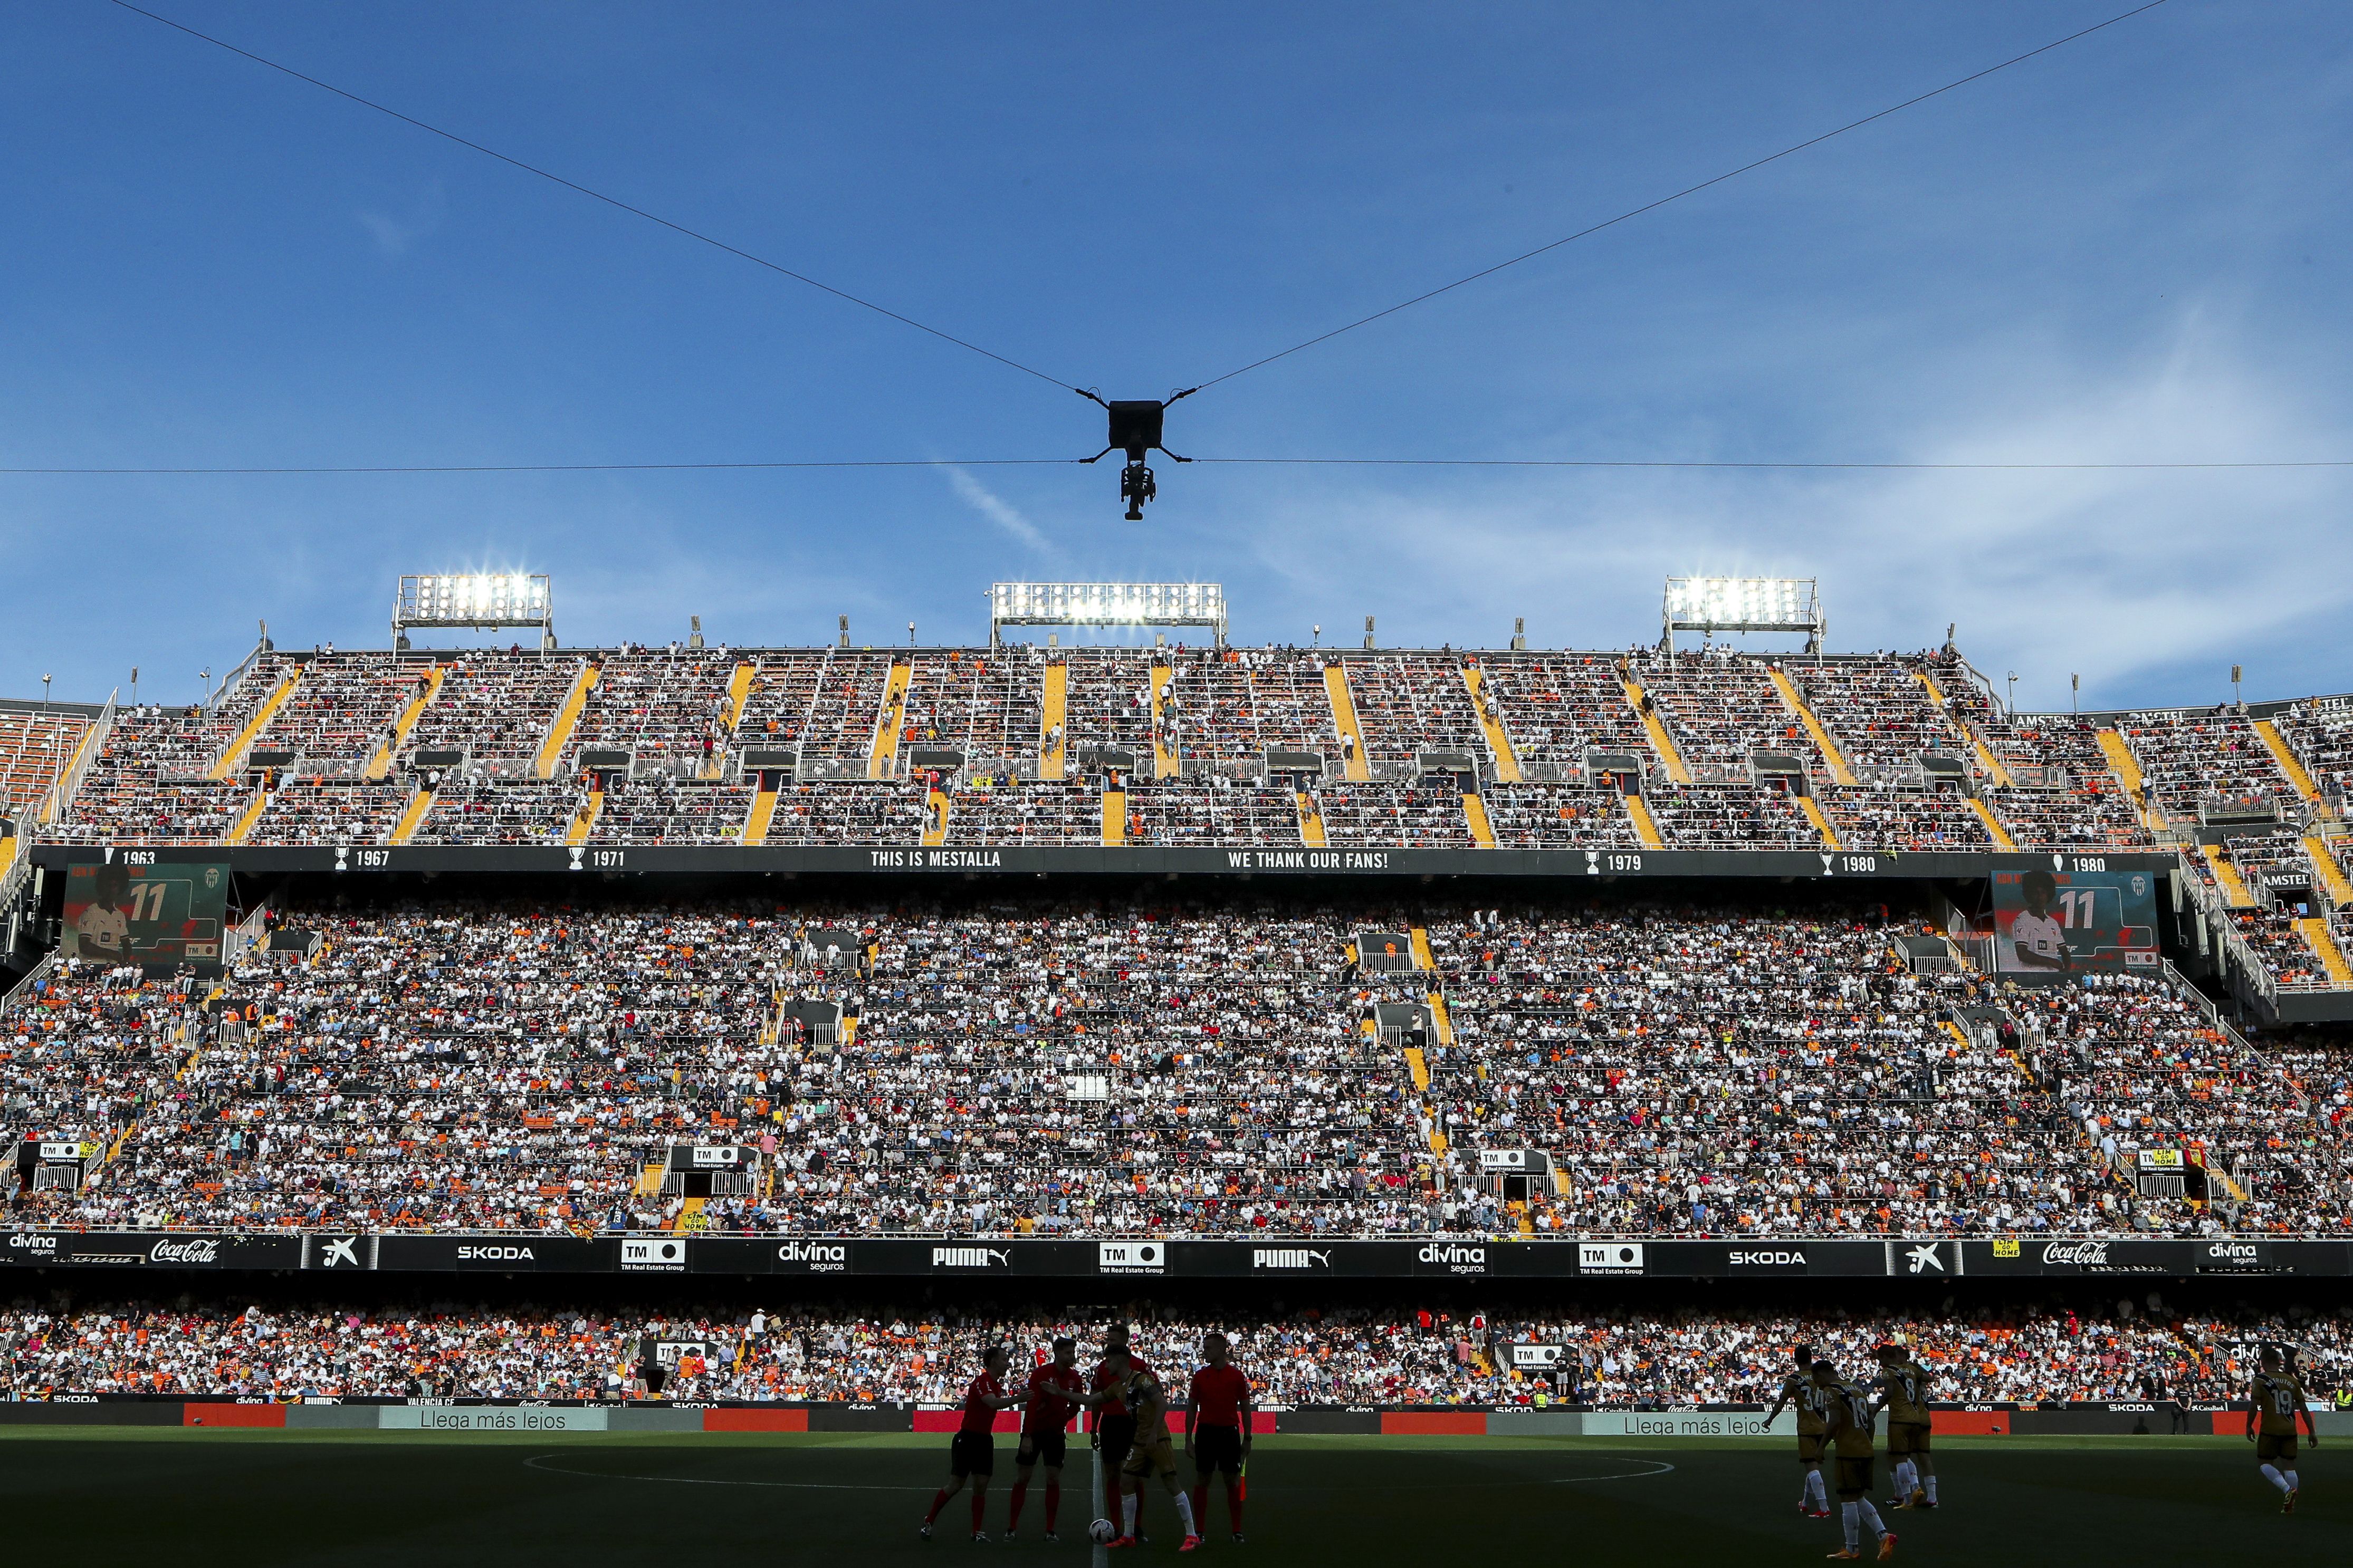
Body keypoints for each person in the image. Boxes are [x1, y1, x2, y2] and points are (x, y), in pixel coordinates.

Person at [1103, 1346, 1202, 1552]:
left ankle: (1192, 1535)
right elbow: (1092, 1399)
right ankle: (1129, 1536)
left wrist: (1155, 1433)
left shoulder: (1142, 1380)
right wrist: (1061, 1393)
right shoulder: (1118, 1387)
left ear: (1120, 1360)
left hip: (1156, 1439)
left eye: (1109, 1360)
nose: (1106, 1364)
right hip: (1140, 1441)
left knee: (1171, 1482)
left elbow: (1162, 1404)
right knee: (1126, 1482)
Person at [921, 1344, 1022, 1541]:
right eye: (1003, 1359)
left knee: (981, 1486)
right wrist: (1019, 1398)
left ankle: (976, 1532)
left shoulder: (997, 1384)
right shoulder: (982, 1382)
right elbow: (992, 1402)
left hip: (984, 1439)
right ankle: (929, 1520)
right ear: (993, 1362)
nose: (1007, 1363)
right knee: (956, 1484)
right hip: (967, 1438)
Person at [1007, 1336, 1101, 1542]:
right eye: (1068, 1353)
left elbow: (1076, 1404)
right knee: (1023, 1478)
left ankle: (1050, 1530)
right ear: (1057, 1353)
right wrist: (1027, 1436)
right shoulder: (1041, 1374)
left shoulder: (1075, 1379)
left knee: (1053, 1479)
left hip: (1056, 1435)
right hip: (1034, 1433)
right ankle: (1012, 1527)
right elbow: (1031, 1406)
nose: (1072, 1356)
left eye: (1073, 1353)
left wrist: (1064, 1418)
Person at [1813, 1359, 1895, 1561]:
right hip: (1865, 1449)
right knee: (1858, 1496)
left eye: (1816, 1379)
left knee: (1847, 1499)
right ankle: (1884, 1536)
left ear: (1822, 1374)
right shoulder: (1856, 1389)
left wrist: (1821, 1447)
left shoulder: (1832, 1390)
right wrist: (1868, 1442)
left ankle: (1852, 1549)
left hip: (1848, 1451)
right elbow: (1870, 1419)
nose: (1816, 1383)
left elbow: (1834, 1421)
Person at [1185, 1331, 1254, 1543]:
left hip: (1229, 1433)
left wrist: (1248, 1438)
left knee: (1232, 1480)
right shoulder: (1200, 1376)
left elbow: (1245, 1408)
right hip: (1205, 1432)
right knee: (1203, 1479)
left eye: (1209, 1348)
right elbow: (1191, 1408)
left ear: (1222, 1350)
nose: (1205, 1351)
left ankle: (1237, 1530)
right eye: (1204, 1347)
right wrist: (1188, 1439)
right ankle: (1200, 1531)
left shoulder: (1236, 1376)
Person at [1093, 1324, 1151, 1540]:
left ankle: (1136, 1526)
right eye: (1108, 1339)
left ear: (1126, 1340)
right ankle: (1116, 1527)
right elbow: (1096, 1400)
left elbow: (1152, 1396)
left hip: (1133, 1425)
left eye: (1114, 1339)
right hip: (1110, 1425)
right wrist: (1093, 1428)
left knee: (1135, 1477)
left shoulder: (1139, 1366)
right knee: (1113, 1475)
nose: (1110, 1343)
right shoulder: (1103, 1367)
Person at [2246, 1345, 2317, 1513]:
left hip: (2270, 1428)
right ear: (2279, 1362)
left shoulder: (2260, 1380)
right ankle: (2290, 1505)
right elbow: (2304, 1410)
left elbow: (2254, 1405)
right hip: (2290, 1430)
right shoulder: (2292, 1381)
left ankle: (2287, 1491)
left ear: (2262, 1362)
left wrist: (2249, 1425)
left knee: (2264, 1463)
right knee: (2290, 1466)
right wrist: (2312, 1432)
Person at [1765, 1343, 1831, 1518]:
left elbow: (1781, 1402)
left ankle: (1824, 1508)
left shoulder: (1794, 1379)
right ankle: (1806, 1503)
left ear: (1795, 1360)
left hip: (1807, 1427)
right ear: (1811, 1357)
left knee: (1812, 1468)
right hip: (1824, 1426)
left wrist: (1770, 1419)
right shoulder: (1821, 1377)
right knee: (1812, 1467)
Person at [1874, 1343, 1937, 1509]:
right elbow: (1930, 1378)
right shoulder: (1913, 1371)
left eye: (1881, 1359)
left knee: (1898, 1457)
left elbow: (1888, 1393)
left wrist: (1874, 1411)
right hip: (1917, 1417)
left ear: (1888, 1357)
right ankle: (1928, 1496)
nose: (1880, 1363)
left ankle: (1906, 1498)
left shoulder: (1889, 1371)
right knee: (1920, 1457)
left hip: (1900, 1418)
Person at [2008, 869, 2072, 972]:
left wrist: (2067, 971)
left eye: (2043, 892)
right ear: (2029, 894)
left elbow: (2064, 951)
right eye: (2035, 893)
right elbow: (2023, 954)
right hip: (2031, 976)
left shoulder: (2052, 923)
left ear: (2049, 895)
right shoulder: (2022, 919)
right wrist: (2052, 961)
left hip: (2053, 976)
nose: (2040, 897)